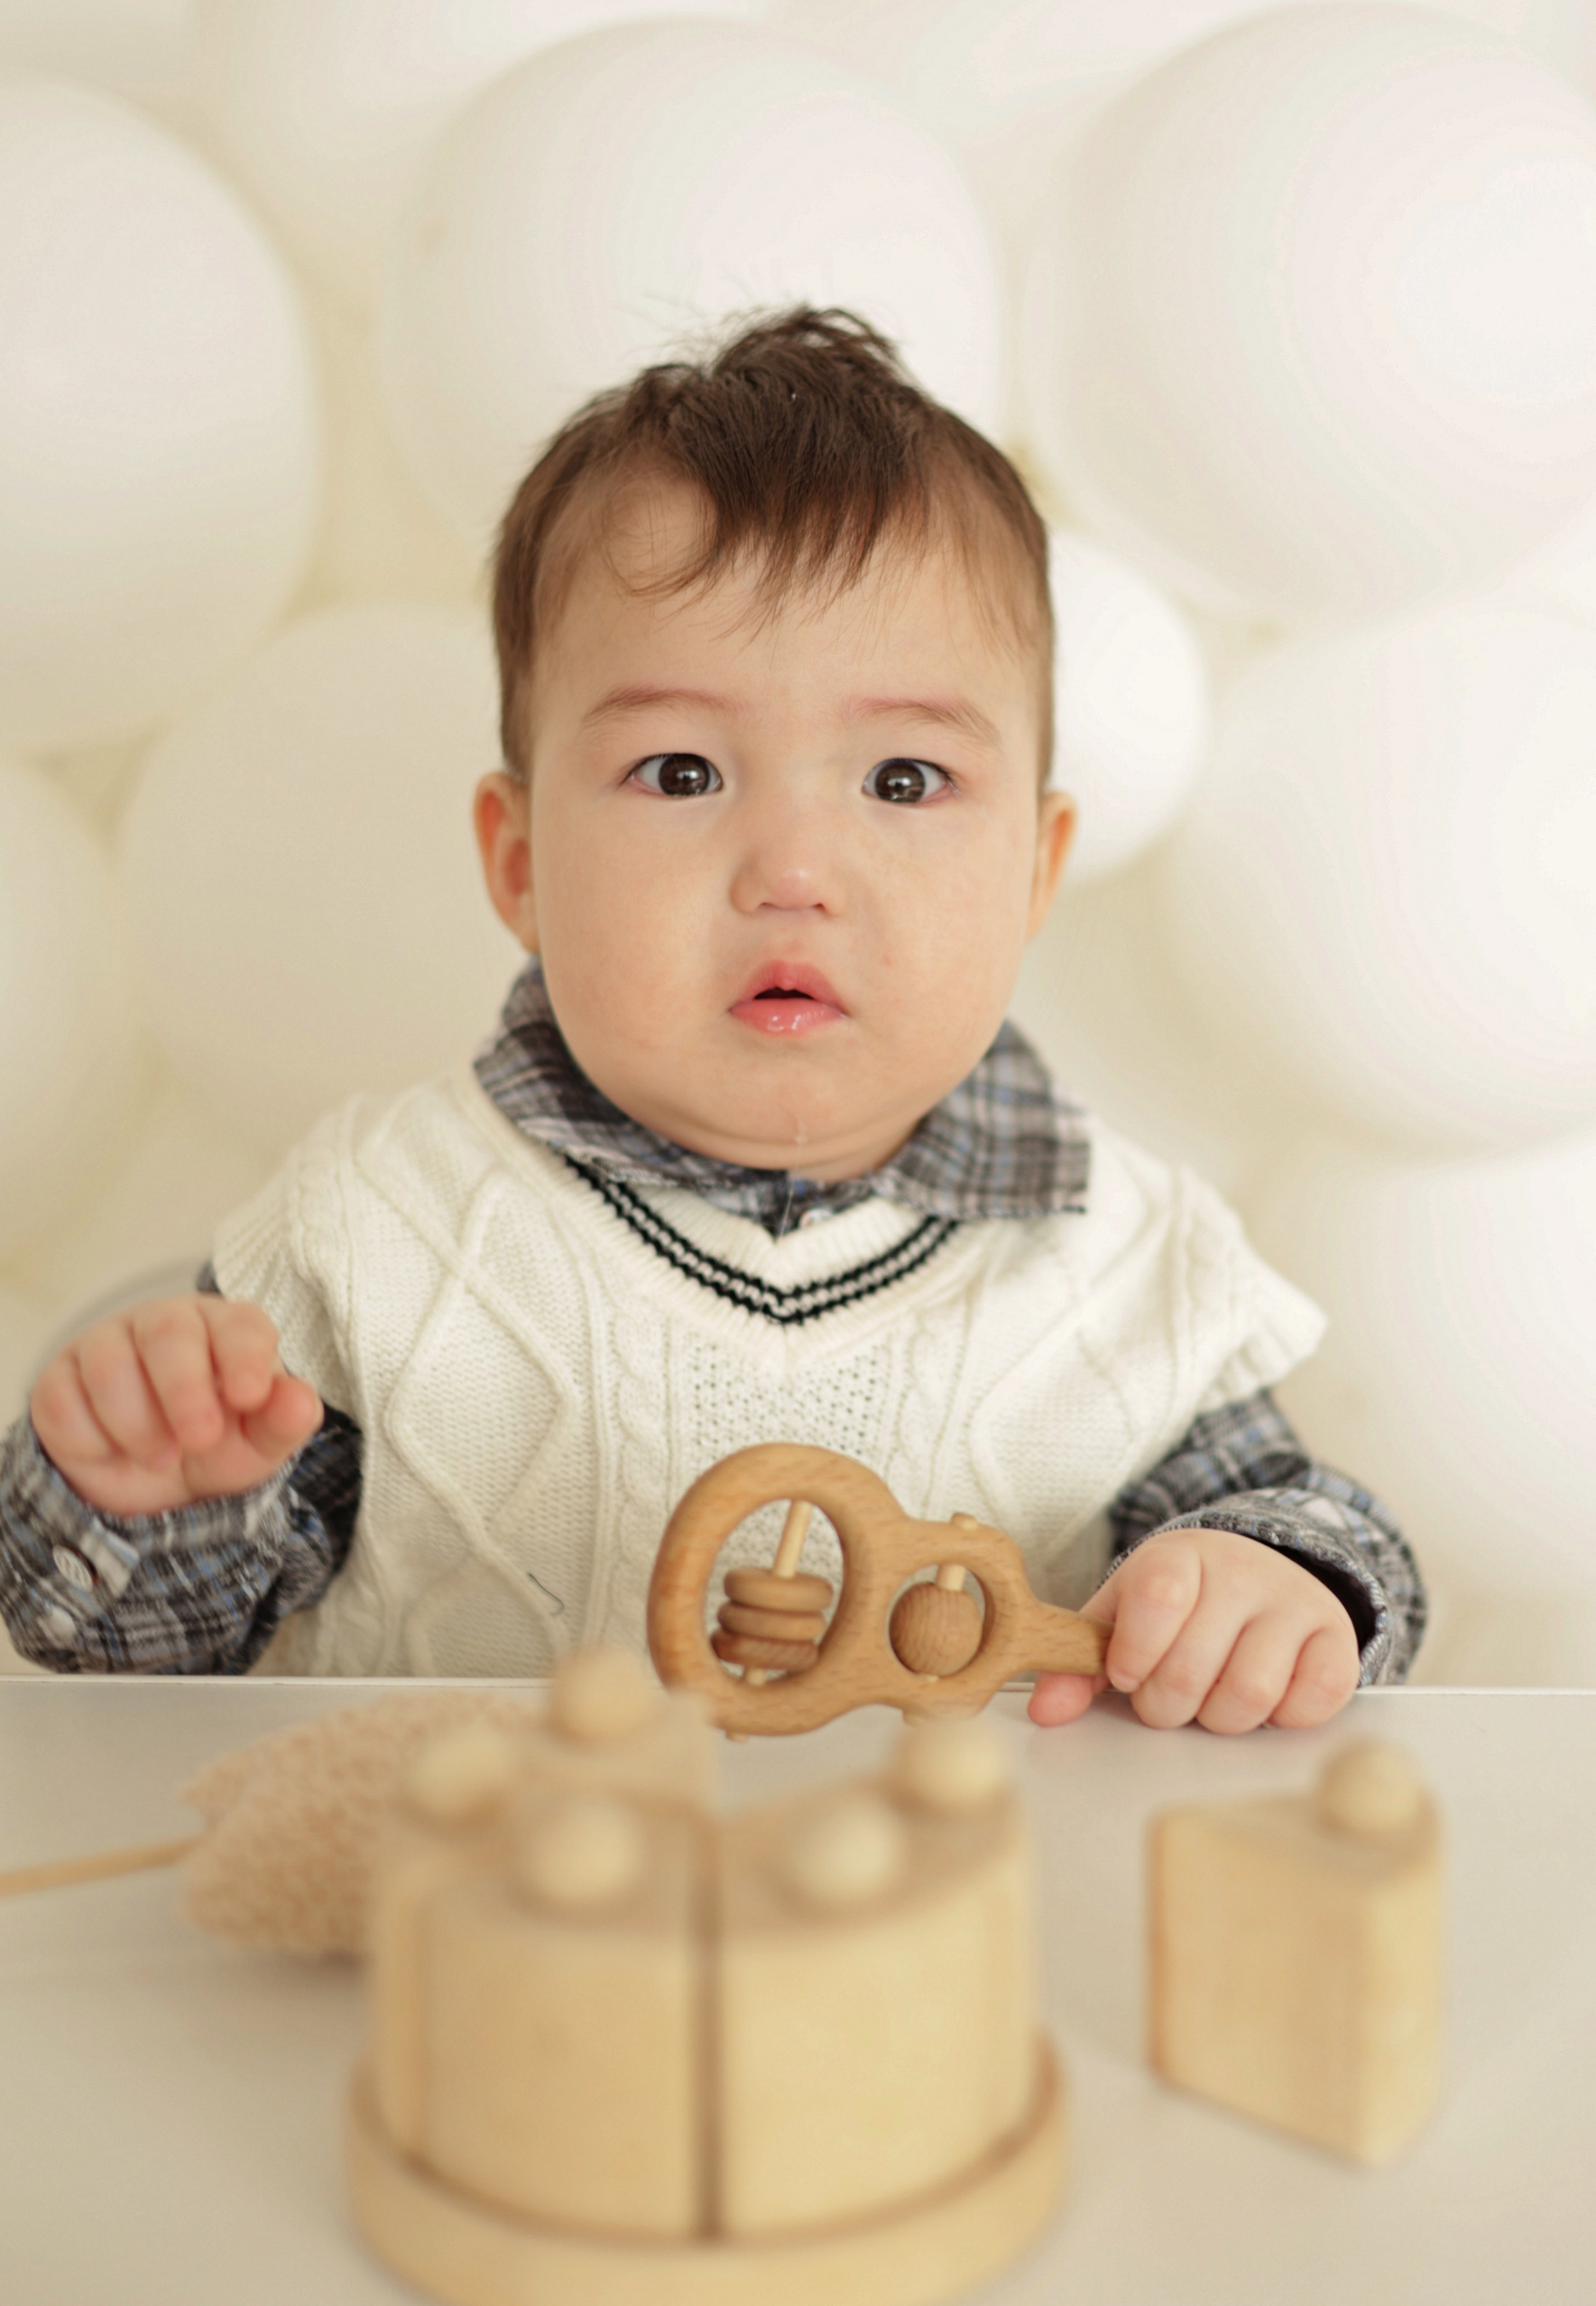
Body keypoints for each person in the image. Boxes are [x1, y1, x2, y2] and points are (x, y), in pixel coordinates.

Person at [0, 309, 1423, 1731]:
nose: (791, 871)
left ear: (1035, 871)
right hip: (478, 1930)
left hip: (955, 1933)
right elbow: (134, 1654)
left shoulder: (1126, 1265)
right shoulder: (381, 1228)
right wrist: (146, 1497)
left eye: (904, 781)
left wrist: (1261, 1580)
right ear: (520, 866)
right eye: (680, 771)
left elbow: (1331, 1537)